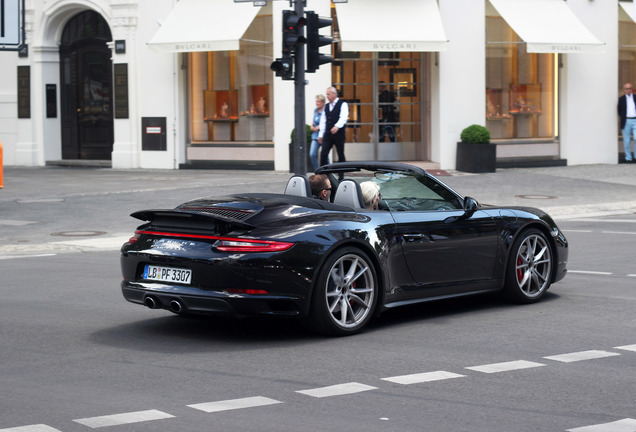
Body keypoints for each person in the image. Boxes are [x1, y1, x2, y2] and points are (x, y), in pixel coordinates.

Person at [318, 86, 349, 168]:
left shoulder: (343, 104)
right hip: (328, 134)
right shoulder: (326, 106)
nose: (327, 96)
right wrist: (321, 134)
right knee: (323, 154)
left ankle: (341, 175)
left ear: (334, 94)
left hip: (339, 134)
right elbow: (323, 121)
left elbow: (343, 117)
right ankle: (323, 175)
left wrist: (337, 126)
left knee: (340, 154)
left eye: (328, 94)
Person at [309, 94, 329, 171]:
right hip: (315, 136)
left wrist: (320, 126)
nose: (317, 103)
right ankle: (318, 171)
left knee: (325, 156)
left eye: (318, 102)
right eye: (316, 102)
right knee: (312, 154)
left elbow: (327, 122)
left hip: (323, 136)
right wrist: (312, 126)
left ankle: (328, 171)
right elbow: (314, 121)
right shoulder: (315, 110)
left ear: (323, 102)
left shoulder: (326, 110)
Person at [618, 82, 636, 162]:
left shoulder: (635, 97)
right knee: (627, 141)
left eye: (630, 88)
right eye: (627, 89)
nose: (629, 90)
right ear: (624, 90)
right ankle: (628, 158)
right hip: (626, 121)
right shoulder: (621, 99)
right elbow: (619, 111)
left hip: (635, 120)